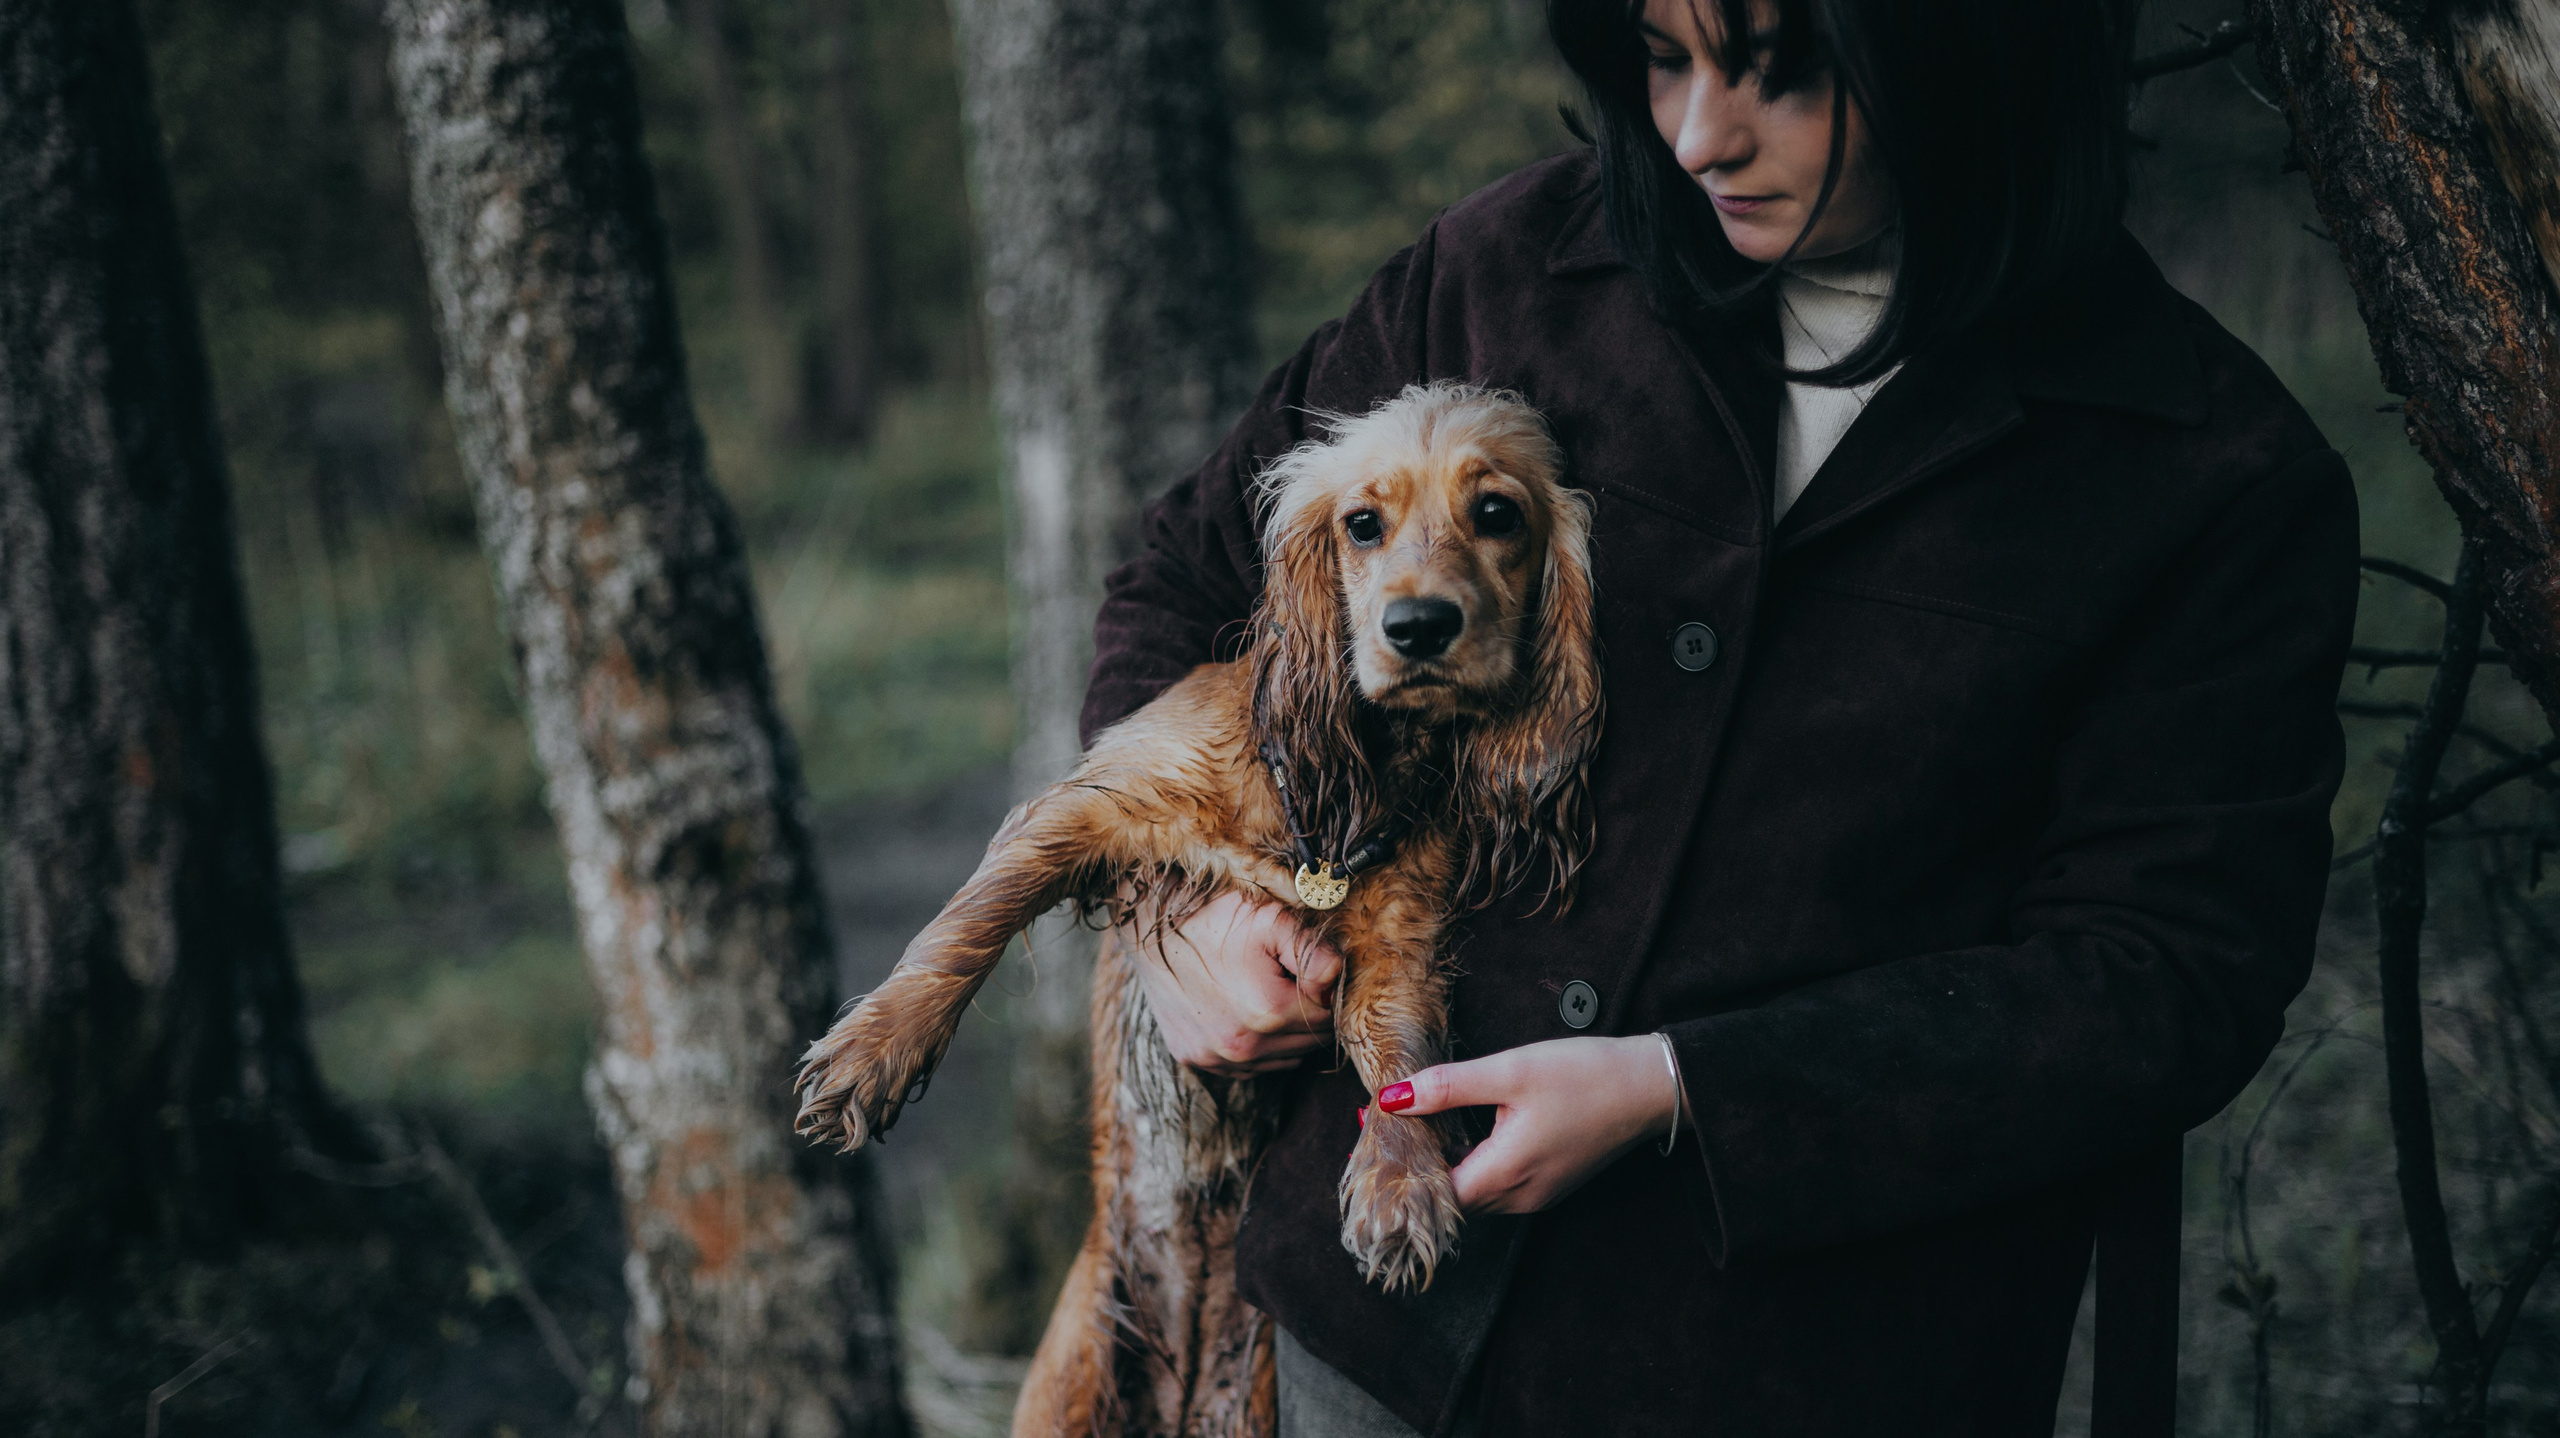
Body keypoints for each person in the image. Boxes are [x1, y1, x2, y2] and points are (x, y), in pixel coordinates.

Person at [1078, 0, 2359, 1433]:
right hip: (1359, 1339)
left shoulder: (2205, 472)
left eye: (1783, 70)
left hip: (1800, 1374)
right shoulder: (1509, 272)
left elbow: (2164, 978)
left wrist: (1685, 1087)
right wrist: (1180, 906)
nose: (1697, 136)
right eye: (1663, 55)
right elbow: (1188, 578)